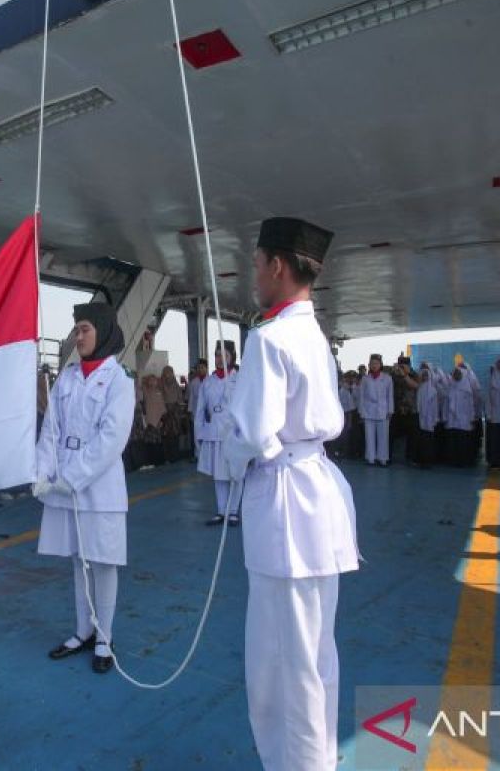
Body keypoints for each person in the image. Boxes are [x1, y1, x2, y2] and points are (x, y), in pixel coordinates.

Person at [223, 216, 360, 771]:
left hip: (285, 510)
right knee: (314, 655)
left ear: (277, 265)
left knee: (281, 662)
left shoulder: (269, 338)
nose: (255, 277)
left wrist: (230, 455)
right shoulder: (313, 334)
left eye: (257, 265)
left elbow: (252, 433)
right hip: (316, 499)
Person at [35, 302, 134, 674]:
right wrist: (43, 471)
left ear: (104, 331)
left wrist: (70, 476)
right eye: (76, 330)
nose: (78, 337)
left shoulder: (119, 381)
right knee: (79, 560)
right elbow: (51, 430)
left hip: (99, 486)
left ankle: (104, 639)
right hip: (64, 484)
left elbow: (111, 439)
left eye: (85, 329)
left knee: (103, 563)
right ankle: (82, 632)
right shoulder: (67, 377)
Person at [195, 340, 240, 526]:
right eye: (217, 355)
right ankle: (222, 510)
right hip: (214, 433)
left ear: (232, 357)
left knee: (236, 473)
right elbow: (200, 410)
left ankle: (234, 511)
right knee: (219, 474)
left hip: (235, 433)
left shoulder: (240, 378)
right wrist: (198, 434)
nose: (220, 359)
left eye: (224, 355)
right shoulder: (208, 381)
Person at [359, 354, 393, 466]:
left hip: (383, 410)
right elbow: (361, 396)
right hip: (368, 410)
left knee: (383, 436)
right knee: (369, 436)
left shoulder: (387, 378)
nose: (374, 366)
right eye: (372, 364)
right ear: (369, 365)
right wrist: (361, 411)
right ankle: (370, 458)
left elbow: (390, 396)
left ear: (380, 365)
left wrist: (390, 410)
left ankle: (383, 458)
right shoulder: (365, 379)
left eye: (376, 363)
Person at [444, 367, 479, 466]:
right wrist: (445, 418)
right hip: (451, 420)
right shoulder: (450, 387)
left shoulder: (466, 389)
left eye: (458, 374)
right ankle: (453, 460)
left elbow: (470, 405)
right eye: (455, 374)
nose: (456, 376)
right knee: (453, 441)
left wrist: (472, 418)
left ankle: (464, 461)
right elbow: (446, 404)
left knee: (463, 441)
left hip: (464, 420)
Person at [390, 356, 420, 463]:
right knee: (391, 434)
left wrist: (404, 375)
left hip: (411, 410)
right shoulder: (393, 375)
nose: (401, 367)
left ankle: (410, 458)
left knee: (412, 436)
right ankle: (388, 456)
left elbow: (416, 386)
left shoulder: (414, 374)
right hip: (396, 409)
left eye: (404, 365)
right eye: (400, 365)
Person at [415, 366, 441, 468]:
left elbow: (435, 406)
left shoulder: (433, 390)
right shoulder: (420, 388)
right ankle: (421, 460)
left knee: (429, 440)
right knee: (421, 439)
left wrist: (435, 418)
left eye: (426, 375)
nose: (425, 377)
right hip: (421, 417)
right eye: (423, 375)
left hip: (430, 418)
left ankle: (428, 461)